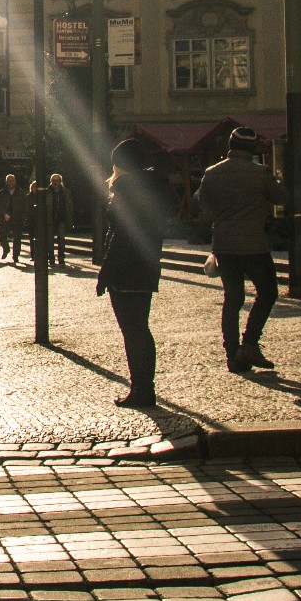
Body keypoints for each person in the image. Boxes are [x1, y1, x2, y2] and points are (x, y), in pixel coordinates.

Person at [194, 127, 289, 374]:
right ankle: (249, 342)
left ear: (230, 146)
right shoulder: (260, 173)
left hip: (224, 244)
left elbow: (204, 209)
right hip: (254, 243)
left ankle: (232, 355)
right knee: (267, 293)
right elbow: (280, 197)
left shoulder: (211, 174)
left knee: (233, 298)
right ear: (252, 149)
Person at [98, 139, 166, 409]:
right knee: (141, 329)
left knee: (133, 331)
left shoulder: (124, 189)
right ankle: (143, 387)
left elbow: (119, 235)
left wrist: (106, 271)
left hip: (126, 269)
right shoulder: (154, 187)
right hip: (146, 265)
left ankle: (141, 390)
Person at [0, 173, 29, 264]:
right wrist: (4, 213)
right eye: (9, 180)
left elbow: (25, 205)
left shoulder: (20, 192)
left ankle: (16, 256)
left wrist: (24, 216)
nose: (11, 182)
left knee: (17, 238)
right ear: (6, 182)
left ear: (15, 181)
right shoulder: (2, 192)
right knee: (2, 236)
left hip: (17, 217)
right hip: (5, 217)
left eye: (12, 180)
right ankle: (6, 249)